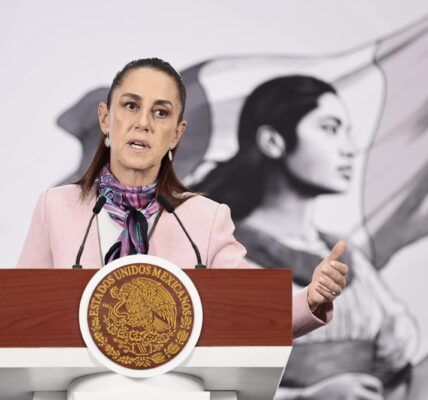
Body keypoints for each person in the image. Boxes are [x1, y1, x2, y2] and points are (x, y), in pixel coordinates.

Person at [17, 58, 348, 340]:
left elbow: (256, 313)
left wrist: (311, 298)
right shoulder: (55, 207)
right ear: (105, 118)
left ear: (177, 133)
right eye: (131, 106)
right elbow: (21, 316)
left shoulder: (206, 217)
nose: (143, 123)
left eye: (161, 113)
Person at [192, 76, 418, 399]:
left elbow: (398, 356)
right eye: (330, 128)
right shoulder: (225, 252)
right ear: (273, 141)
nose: (350, 148)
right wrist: (307, 397)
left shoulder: (344, 253)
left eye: (347, 132)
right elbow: (206, 382)